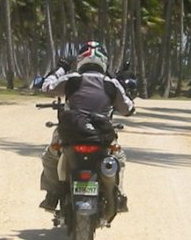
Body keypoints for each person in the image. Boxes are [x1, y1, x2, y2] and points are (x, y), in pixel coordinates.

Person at [38, 41, 135, 211]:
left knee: (50, 156)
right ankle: (117, 194)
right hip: (102, 134)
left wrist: (60, 68)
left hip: (71, 132)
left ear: (80, 60)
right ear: (104, 61)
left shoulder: (72, 79)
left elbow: (46, 87)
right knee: (118, 159)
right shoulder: (111, 84)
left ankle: (53, 194)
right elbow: (128, 109)